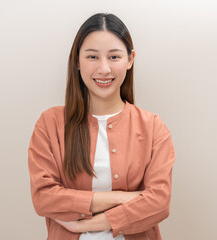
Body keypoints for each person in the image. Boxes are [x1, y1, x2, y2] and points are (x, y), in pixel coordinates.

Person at [28, 13, 176, 240]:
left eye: (114, 57)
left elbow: (159, 203)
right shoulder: (49, 124)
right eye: (92, 57)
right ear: (77, 61)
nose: (104, 69)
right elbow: (44, 197)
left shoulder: (153, 127)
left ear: (130, 59)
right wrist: (122, 198)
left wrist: (87, 224)